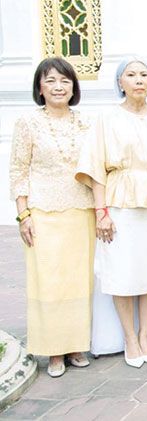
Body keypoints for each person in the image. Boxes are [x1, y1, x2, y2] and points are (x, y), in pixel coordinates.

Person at [76, 58, 147, 368]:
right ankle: (129, 337)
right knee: (121, 270)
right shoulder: (107, 119)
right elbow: (96, 169)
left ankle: (145, 334)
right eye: (131, 75)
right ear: (120, 82)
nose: (139, 80)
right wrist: (101, 211)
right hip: (119, 200)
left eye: (144, 74)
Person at [9, 58, 94, 377]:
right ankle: (53, 350)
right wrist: (23, 214)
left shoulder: (86, 122)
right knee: (48, 281)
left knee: (78, 280)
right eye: (51, 81)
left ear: (74, 87)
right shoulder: (27, 123)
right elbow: (18, 170)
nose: (59, 87)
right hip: (43, 211)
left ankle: (75, 345)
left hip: (80, 209)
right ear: (40, 88)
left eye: (65, 81)